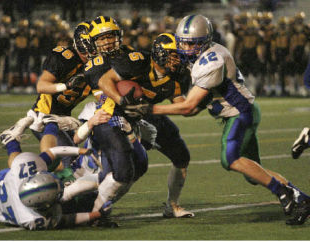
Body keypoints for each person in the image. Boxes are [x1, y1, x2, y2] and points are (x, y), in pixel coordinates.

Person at [123, 14, 310, 220]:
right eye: (182, 43)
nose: (185, 49)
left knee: (229, 159)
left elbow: (189, 107)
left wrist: (149, 110)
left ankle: (283, 194)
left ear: (205, 41)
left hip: (240, 113)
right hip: (238, 113)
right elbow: (192, 110)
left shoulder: (212, 59)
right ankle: (301, 198)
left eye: (191, 44)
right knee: (254, 174)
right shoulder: (196, 57)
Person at [86, 18, 198, 217]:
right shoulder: (136, 62)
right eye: (172, 56)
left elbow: (182, 104)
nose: (176, 60)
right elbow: (104, 83)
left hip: (149, 114)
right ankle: (93, 204)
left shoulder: (177, 74)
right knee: (123, 167)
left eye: (179, 56)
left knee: (181, 156)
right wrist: (123, 102)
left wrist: (199, 101)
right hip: (119, 114)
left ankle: (172, 205)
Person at [0, 113, 110, 230]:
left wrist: (80, 150)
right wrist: (97, 214)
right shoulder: (34, 220)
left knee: (20, 163)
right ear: (44, 205)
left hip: (0, 181)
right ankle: (46, 125)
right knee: (51, 169)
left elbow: (52, 152)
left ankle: (13, 140)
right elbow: (66, 219)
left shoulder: (25, 170)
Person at [26, 21, 94, 170]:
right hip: (44, 116)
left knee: (66, 163)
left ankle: (44, 182)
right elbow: (41, 86)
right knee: (68, 160)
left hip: (64, 120)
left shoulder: (97, 65)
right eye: (96, 41)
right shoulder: (65, 57)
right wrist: (66, 85)